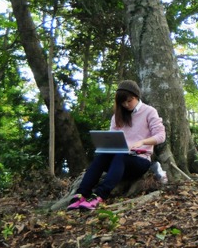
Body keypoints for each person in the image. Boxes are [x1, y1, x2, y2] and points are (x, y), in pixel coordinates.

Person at [67, 80, 167, 210]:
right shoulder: (117, 116)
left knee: (121, 156)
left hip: (140, 161)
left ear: (136, 96)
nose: (126, 105)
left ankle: (98, 196)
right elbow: (112, 138)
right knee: (102, 157)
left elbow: (161, 136)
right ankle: (81, 194)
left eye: (129, 101)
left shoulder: (149, 111)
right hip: (117, 161)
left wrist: (142, 142)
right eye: (122, 102)